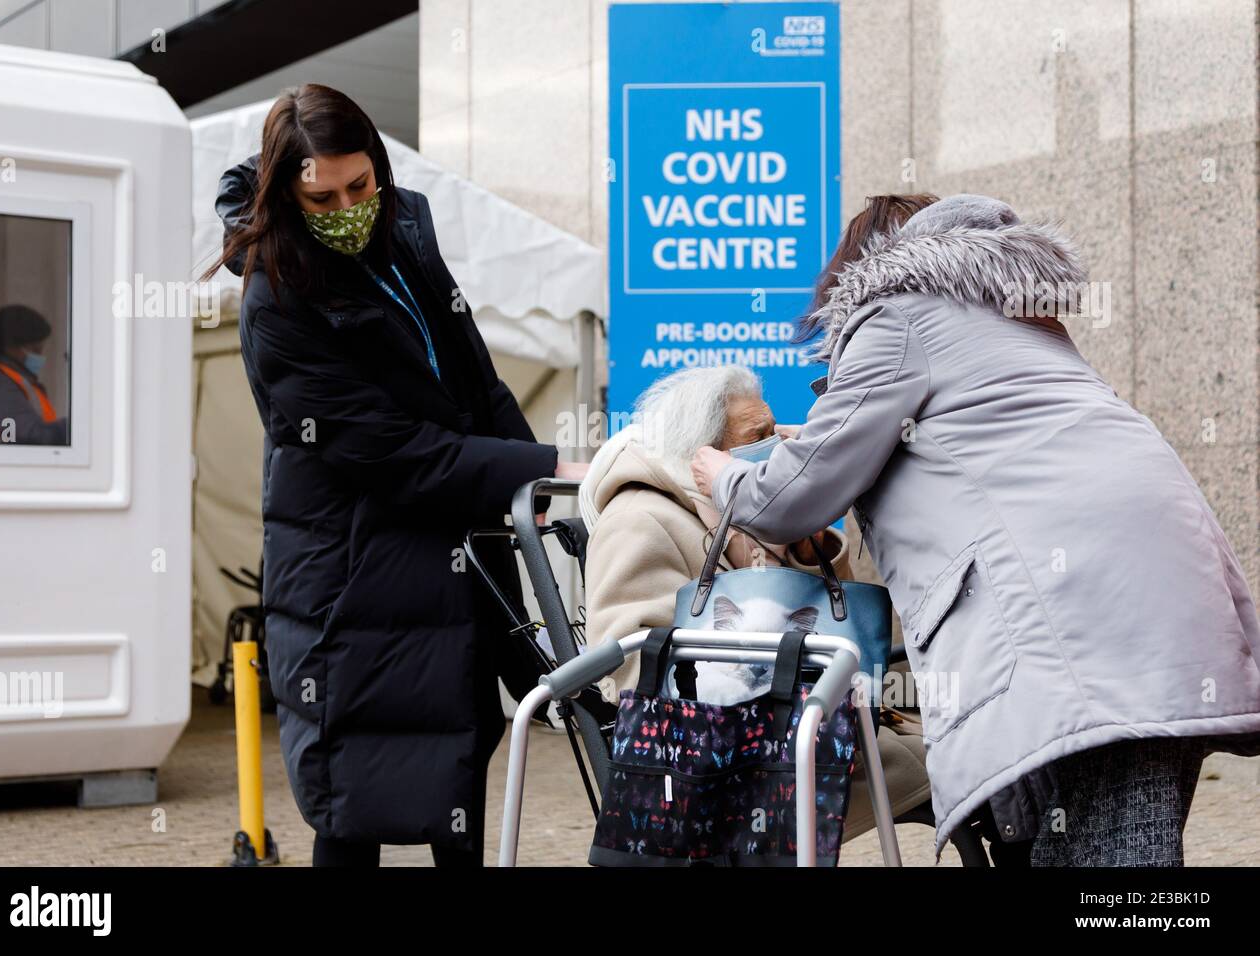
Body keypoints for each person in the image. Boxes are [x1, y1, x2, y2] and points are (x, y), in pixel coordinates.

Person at [691, 193, 1260, 866]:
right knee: (1100, 848)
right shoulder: (1016, 319)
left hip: (1083, 617)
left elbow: (791, 497)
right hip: (1162, 599)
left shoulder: (896, 312)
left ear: (866, 266)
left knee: (1108, 865)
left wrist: (721, 475)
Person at [205, 84, 587, 867]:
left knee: (456, 755)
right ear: (287, 193)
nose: (346, 207)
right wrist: (546, 463)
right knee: (355, 792)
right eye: (322, 198)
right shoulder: (276, 296)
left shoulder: (407, 228)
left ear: (378, 168)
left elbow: (474, 381)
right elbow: (395, 452)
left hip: (444, 551)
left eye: (359, 186)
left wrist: (538, 492)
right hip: (348, 575)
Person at [580, 364, 932, 844]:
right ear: (702, 451)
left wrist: (808, 555)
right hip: (736, 756)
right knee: (964, 773)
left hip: (808, 727)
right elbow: (630, 661)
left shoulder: (735, 507)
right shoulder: (639, 519)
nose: (777, 445)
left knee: (975, 765)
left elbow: (835, 621)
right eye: (759, 435)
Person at [0, 304, 66, 445]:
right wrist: (80, 427)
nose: (40, 356)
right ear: (12, 346)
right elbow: (28, 435)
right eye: (35, 349)